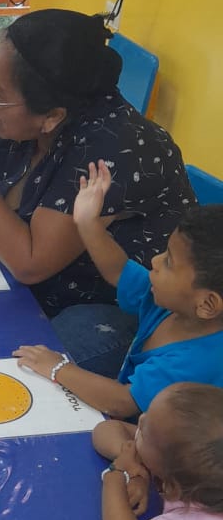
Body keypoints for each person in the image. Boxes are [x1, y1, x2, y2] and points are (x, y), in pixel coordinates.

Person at [0, 9, 193, 377]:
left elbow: (29, 263)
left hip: (120, 314)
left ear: (52, 116)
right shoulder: (22, 120)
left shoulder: (116, 149)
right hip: (41, 291)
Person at [14, 162, 223, 416]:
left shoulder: (197, 361)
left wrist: (58, 368)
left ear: (207, 305)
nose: (155, 261)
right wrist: (88, 223)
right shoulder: (173, 304)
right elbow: (119, 271)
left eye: (169, 262)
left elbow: (123, 402)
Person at [92, 382, 223, 520]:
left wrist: (115, 474)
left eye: (144, 432)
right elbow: (107, 429)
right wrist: (135, 466)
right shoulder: (187, 461)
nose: (140, 419)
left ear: (173, 485)